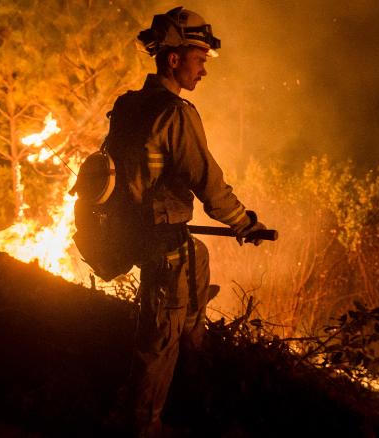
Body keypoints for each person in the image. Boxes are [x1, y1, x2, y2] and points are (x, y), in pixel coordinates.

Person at [83, 6, 267, 437]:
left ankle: (194, 377)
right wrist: (244, 223)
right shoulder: (175, 114)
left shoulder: (128, 105)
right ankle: (142, 426)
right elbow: (208, 183)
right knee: (158, 342)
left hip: (133, 233)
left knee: (197, 259)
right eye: (199, 59)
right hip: (163, 242)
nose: (203, 70)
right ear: (173, 59)